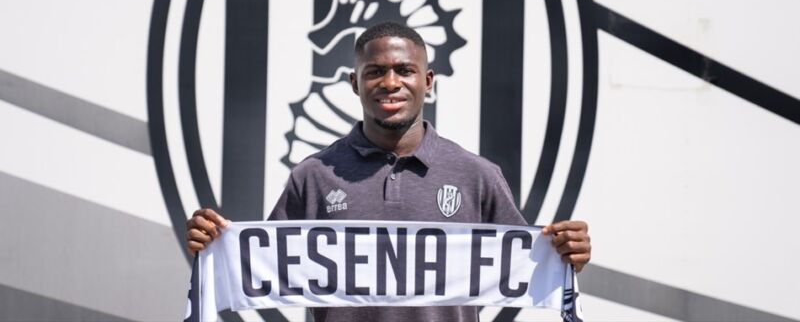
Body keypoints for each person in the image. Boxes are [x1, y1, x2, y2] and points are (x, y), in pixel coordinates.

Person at [186, 22, 591, 322]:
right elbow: (262, 266)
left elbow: (527, 266)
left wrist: (568, 254)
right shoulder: (313, 176)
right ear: (354, 83)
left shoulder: (476, 175)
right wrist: (215, 244)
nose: (390, 82)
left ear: (427, 81)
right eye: (375, 71)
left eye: (405, 70)